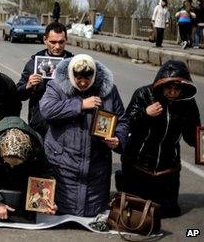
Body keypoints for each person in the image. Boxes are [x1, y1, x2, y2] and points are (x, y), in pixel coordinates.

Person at [40, 54, 128, 217]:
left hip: (96, 165)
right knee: (62, 213)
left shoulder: (109, 91)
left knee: (91, 215)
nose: (82, 83)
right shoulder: (57, 86)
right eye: (78, 78)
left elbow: (122, 121)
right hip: (63, 162)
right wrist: (79, 104)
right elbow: (47, 110)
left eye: (87, 79)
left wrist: (118, 139)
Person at [121, 60, 200, 218]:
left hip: (168, 166)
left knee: (168, 212)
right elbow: (125, 125)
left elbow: (193, 137)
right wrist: (145, 114)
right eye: (168, 87)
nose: (172, 92)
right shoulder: (144, 94)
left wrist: (200, 143)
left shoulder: (188, 104)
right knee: (136, 213)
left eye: (176, 88)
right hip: (139, 163)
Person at [0, 117, 56, 221]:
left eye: (16, 163)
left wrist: (45, 200)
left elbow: (44, 173)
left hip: (21, 180)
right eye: (8, 162)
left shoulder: (37, 146)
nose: (12, 166)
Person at [16, 22, 74, 137]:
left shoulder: (74, 63)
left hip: (66, 125)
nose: (57, 46)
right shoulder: (33, 64)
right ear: (45, 40)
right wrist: (28, 85)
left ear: (66, 40)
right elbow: (18, 94)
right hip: (39, 125)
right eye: (53, 42)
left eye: (61, 42)